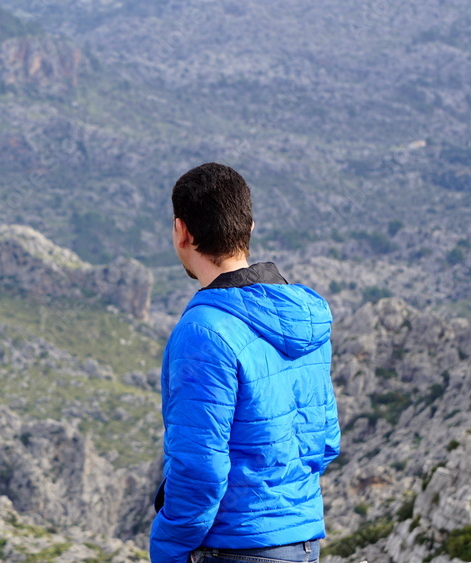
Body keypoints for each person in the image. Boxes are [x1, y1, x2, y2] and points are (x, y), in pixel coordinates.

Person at [149, 163, 340, 563]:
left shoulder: (203, 331)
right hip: (301, 544)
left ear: (182, 231)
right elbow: (325, 442)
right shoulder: (306, 316)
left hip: (234, 547)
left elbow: (199, 471)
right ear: (249, 227)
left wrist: (166, 548)